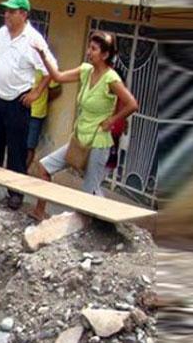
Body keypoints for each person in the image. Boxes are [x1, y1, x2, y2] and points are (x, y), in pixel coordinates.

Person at [28, 30, 139, 221]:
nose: (89, 51)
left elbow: (132, 104)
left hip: (98, 141)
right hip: (79, 137)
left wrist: (112, 121)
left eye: (94, 49)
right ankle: (39, 211)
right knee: (45, 167)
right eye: (89, 47)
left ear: (105, 55)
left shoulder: (111, 78)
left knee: (88, 191)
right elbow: (59, 76)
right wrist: (43, 55)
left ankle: (92, 227)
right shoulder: (85, 70)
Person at [0, 0, 54, 210]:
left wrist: (36, 93)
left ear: (23, 14)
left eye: (12, 12)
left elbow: (51, 70)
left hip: (17, 101)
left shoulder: (34, 40)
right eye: (6, 11)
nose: (7, 15)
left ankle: (15, 193)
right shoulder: (2, 33)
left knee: (16, 150)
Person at [26, 69, 62, 167]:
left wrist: (42, 99)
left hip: (37, 112)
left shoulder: (45, 67)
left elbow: (57, 89)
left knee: (30, 145)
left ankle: (23, 170)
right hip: (21, 109)